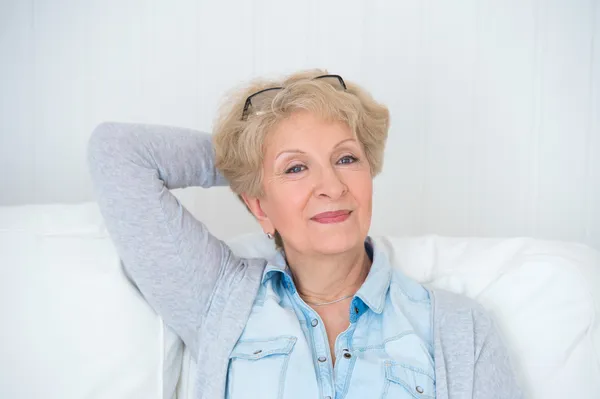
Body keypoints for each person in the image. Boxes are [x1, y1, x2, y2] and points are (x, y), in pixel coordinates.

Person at [87, 69, 522, 399]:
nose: (332, 186)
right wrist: (248, 164)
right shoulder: (218, 300)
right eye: (296, 168)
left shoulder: (460, 329)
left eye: (347, 159)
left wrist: (277, 167)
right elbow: (119, 152)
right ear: (258, 206)